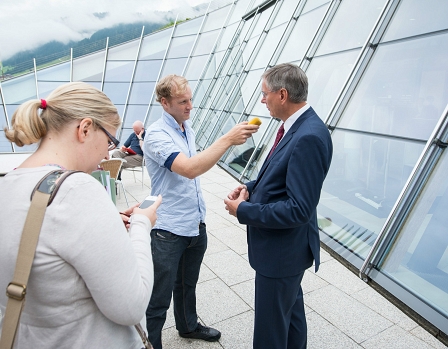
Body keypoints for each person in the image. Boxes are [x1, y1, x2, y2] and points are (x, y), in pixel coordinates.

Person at [0, 82, 162, 348]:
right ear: (85, 128)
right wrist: (141, 225)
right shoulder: (76, 190)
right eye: (110, 140)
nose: (107, 153)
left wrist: (108, 225)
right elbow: (131, 306)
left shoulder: (7, 186)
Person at [143, 74, 259, 349]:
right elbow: (190, 168)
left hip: (194, 222)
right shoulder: (156, 135)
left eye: (190, 99)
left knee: (187, 284)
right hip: (168, 228)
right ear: (164, 103)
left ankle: (188, 326)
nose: (190, 106)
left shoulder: (187, 128)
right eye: (183, 101)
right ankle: (150, 345)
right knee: (159, 296)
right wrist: (228, 139)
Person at [224, 63, 333, 349]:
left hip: (282, 254)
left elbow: (299, 208)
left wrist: (242, 210)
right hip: (287, 252)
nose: (262, 100)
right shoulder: (294, 128)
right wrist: (250, 187)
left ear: (282, 95)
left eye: (265, 94)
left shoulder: (308, 136)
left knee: (270, 332)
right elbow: (282, 177)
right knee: (291, 319)